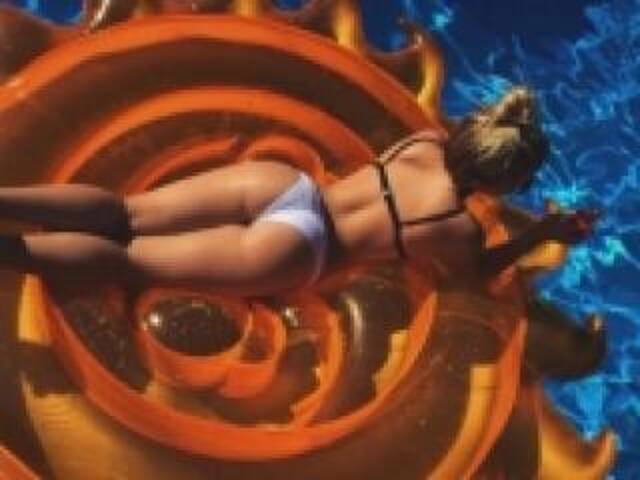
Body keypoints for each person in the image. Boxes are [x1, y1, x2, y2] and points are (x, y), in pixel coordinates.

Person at [0, 86, 595, 296]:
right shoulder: (456, 229)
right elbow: (476, 276)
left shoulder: (423, 142)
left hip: (285, 186)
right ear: (499, 180)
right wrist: (540, 234)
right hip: (299, 249)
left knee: (126, 212)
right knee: (128, 261)